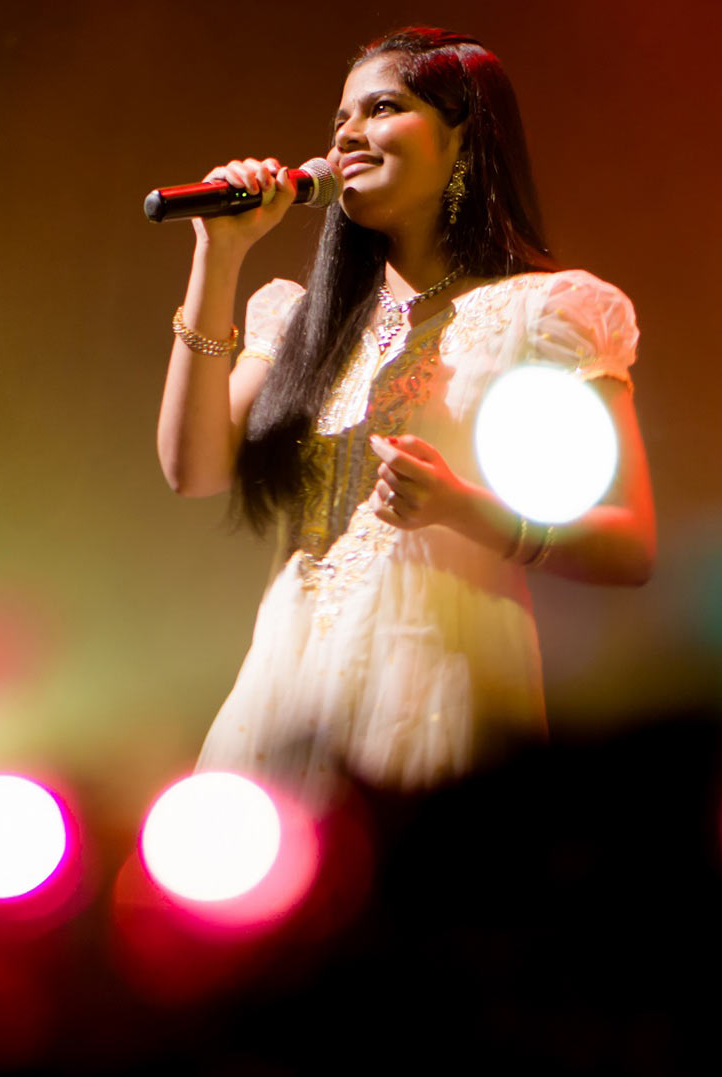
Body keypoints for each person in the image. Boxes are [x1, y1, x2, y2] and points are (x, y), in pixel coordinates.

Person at [156, 27, 656, 805]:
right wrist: (216, 254)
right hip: (282, 698)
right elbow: (194, 471)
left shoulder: (542, 314)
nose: (347, 134)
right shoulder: (298, 322)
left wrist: (464, 508)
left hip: (439, 695)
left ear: (462, 137)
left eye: (381, 108)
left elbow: (627, 542)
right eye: (338, 120)